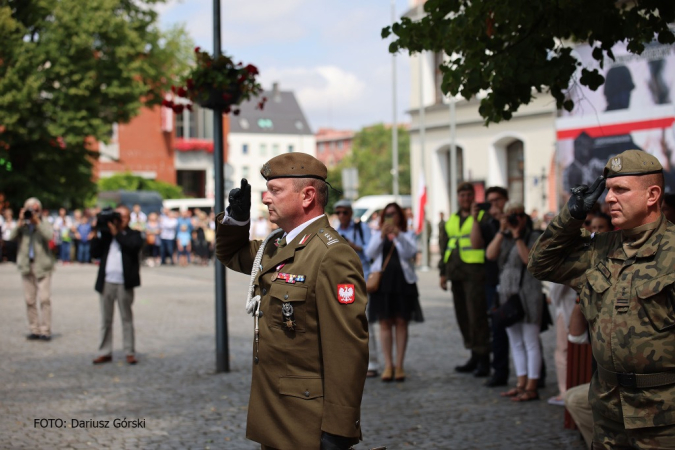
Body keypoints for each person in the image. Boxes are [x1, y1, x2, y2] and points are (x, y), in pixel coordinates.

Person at [215, 153, 368, 450]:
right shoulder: (277, 245)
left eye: (275, 190)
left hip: (306, 420)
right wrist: (237, 218)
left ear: (307, 196)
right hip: (275, 411)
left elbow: (347, 349)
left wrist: (338, 429)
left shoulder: (331, 254)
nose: (265, 199)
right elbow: (232, 254)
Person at [529, 149, 675, 448]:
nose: (609, 199)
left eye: (620, 190)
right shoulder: (601, 249)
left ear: (652, 195)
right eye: (608, 190)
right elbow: (539, 264)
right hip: (607, 408)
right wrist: (572, 214)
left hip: (663, 417)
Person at [486, 202, 543, 402]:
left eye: (517, 215)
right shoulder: (505, 237)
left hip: (528, 295)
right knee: (516, 343)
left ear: (524, 217)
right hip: (507, 297)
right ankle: (520, 383)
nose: (514, 220)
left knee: (530, 342)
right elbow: (490, 255)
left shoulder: (533, 236)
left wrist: (518, 235)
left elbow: (529, 260)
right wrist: (502, 231)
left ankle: (532, 386)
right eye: (510, 215)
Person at [366, 202, 423, 382]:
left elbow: (410, 252)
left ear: (400, 216)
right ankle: (388, 365)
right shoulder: (377, 234)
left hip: (403, 283)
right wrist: (382, 235)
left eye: (394, 213)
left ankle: (399, 365)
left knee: (401, 322)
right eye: (388, 214)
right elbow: (369, 253)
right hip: (383, 284)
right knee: (384, 323)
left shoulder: (406, 233)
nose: (391, 216)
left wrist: (398, 235)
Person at [439, 182, 490, 377]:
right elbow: (446, 246)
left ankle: (484, 357)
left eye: (469, 195)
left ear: (474, 197)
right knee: (463, 316)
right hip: (455, 273)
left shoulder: (482, 217)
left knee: (477, 315)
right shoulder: (451, 220)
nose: (466, 199)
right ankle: (473, 354)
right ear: (458, 198)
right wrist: (442, 273)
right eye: (462, 196)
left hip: (475, 273)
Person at [91, 206, 143, 365]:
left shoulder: (134, 234)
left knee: (126, 318)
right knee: (105, 320)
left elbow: (132, 247)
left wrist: (117, 233)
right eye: (118, 216)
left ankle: (129, 351)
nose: (121, 220)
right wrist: (97, 232)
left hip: (124, 283)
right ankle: (104, 351)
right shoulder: (106, 235)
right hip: (106, 282)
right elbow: (94, 253)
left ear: (129, 219)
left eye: (124, 217)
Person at [470, 186, 511, 387]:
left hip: (516, 283)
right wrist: (475, 220)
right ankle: (500, 371)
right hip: (493, 281)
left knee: (524, 330)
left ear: (506, 200)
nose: (495, 205)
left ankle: (533, 376)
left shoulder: (518, 220)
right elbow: (476, 244)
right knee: (496, 328)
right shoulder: (487, 224)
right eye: (490, 201)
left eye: (498, 200)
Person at [334, 199, 379, 378]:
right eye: (338, 212)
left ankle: (372, 362)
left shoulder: (362, 229)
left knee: (365, 322)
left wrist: (354, 246)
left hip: (363, 278)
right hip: (344, 282)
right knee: (345, 322)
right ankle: (350, 361)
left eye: (344, 212)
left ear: (351, 213)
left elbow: (372, 251)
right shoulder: (335, 232)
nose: (341, 216)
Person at [11, 198, 55, 340]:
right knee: (29, 299)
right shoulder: (22, 225)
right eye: (30, 210)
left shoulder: (45, 222)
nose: (33, 213)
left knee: (44, 299)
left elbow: (49, 236)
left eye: (36, 210)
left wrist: (38, 223)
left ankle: (45, 330)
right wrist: (20, 222)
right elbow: (10, 238)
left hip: (43, 264)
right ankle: (34, 329)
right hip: (26, 265)